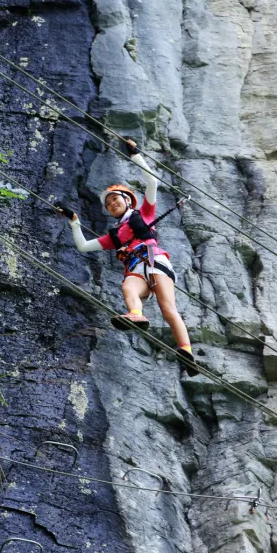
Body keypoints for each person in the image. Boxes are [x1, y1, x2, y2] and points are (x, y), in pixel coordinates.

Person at [61, 138, 197, 375]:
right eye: (109, 203)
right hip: (136, 268)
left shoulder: (144, 213)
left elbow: (152, 182)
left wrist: (136, 155)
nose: (112, 204)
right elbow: (83, 246)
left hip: (156, 262)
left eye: (116, 199)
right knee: (128, 287)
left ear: (128, 200)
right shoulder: (115, 235)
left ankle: (186, 350)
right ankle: (136, 314)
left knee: (168, 308)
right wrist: (75, 223)